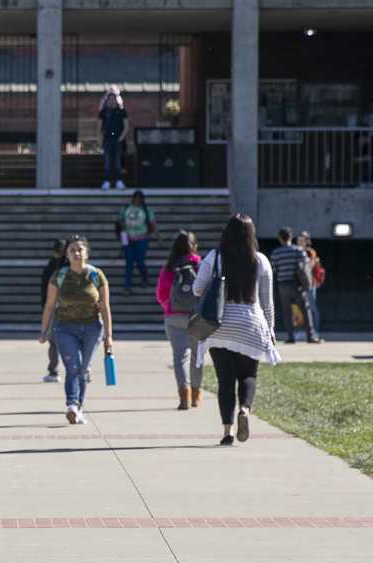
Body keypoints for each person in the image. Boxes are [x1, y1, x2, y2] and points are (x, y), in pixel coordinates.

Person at [193, 214, 278, 446]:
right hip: (250, 326)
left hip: (219, 325)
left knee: (225, 380)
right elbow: (267, 302)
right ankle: (245, 410)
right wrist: (270, 329)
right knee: (249, 375)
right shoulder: (260, 261)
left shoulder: (215, 257)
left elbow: (197, 288)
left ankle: (228, 432)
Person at [38, 237, 113, 426]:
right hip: (65, 327)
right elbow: (49, 305)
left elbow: (105, 307)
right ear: (67, 254)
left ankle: (79, 406)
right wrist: (44, 330)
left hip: (92, 328)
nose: (76, 253)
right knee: (73, 367)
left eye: (80, 249)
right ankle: (71, 404)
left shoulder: (97, 275)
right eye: (72, 250)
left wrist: (108, 336)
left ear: (87, 253)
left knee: (83, 369)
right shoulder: (59, 276)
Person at [157, 231, 203, 410]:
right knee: (197, 357)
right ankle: (196, 395)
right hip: (197, 317)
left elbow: (161, 294)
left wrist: (170, 306)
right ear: (194, 247)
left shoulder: (169, 267)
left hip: (174, 316)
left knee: (179, 358)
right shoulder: (200, 266)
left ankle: (184, 396)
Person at [269, 227, 318, 344]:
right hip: (296, 284)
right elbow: (306, 265)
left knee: (286, 311)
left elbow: (273, 270)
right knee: (305, 309)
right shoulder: (298, 251)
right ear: (291, 237)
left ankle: (291, 337)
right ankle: (310, 336)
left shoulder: (276, 253)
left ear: (280, 239)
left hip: (283, 285)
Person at [38, 238, 68, 383]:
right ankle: (83, 369)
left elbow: (44, 293)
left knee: (54, 343)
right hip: (66, 309)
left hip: (57, 309)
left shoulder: (51, 268)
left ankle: (54, 371)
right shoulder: (68, 269)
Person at [118, 190, 158, 294]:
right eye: (135, 199)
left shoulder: (146, 209)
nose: (136, 201)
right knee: (129, 263)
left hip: (142, 238)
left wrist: (159, 238)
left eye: (139, 199)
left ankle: (145, 278)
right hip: (128, 239)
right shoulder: (126, 208)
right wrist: (122, 226)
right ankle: (127, 286)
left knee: (140, 261)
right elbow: (120, 219)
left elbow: (152, 224)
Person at [98, 87, 129, 190]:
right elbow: (99, 126)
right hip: (107, 139)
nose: (111, 102)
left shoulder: (121, 112)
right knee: (107, 160)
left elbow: (126, 126)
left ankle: (118, 181)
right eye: (109, 100)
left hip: (117, 140)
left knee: (117, 161)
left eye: (113, 99)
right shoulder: (104, 112)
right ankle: (106, 181)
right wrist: (99, 139)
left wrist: (121, 138)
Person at [299, 231, 325, 338]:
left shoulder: (310, 253)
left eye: (301, 241)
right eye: (298, 241)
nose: (299, 243)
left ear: (306, 242)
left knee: (312, 307)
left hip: (310, 283)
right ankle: (302, 330)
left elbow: (309, 267)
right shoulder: (297, 251)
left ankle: (315, 331)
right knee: (300, 308)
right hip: (300, 283)